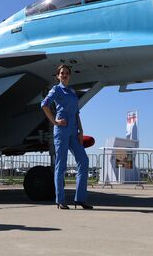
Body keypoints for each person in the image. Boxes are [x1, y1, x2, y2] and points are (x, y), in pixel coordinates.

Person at [41, 65, 92, 210]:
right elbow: (44, 104)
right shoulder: (56, 89)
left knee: (84, 160)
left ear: (70, 76)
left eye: (67, 73)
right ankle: (60, 200)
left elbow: (77, 113)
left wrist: (81, 130)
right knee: (61, 164)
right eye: (62, 73)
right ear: (57, 76)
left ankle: (80, 199)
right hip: (62, 130)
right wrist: (55, 122)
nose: (65, 75)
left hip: (74, 131)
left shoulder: (72, 92)